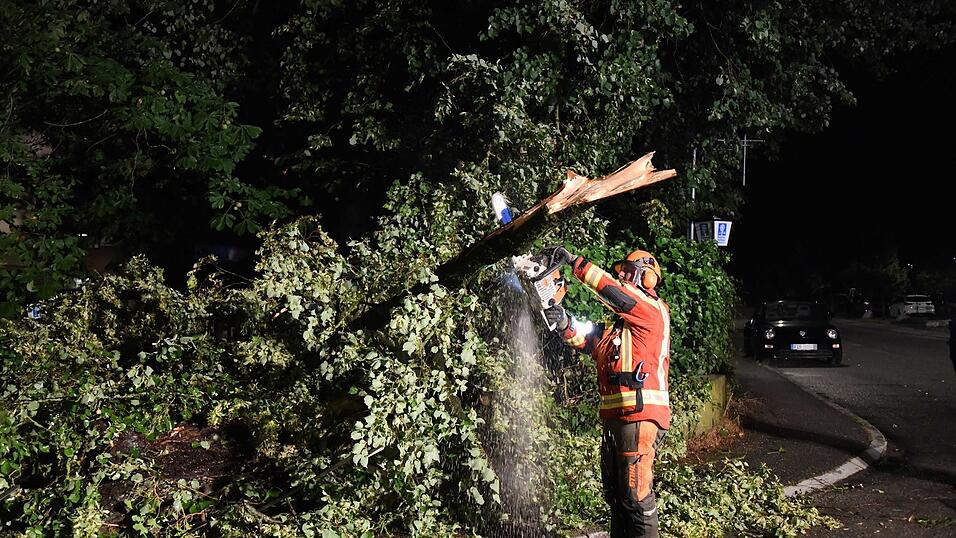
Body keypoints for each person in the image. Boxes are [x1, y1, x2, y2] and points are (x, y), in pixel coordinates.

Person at [544, 246, 670, 538]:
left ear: (648, 278)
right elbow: (587, 339)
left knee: (636, 498)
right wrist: (563, 322)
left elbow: (615, 294)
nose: (622, 275)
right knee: (617, 498)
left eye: (628, 270)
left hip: (639, 417)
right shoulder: (618, 329)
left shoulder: (652, 312)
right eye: (621, 271)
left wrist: (575, 262)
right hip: (615, 419)